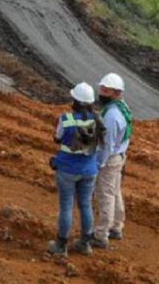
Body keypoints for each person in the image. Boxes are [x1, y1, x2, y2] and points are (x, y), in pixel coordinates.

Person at [48, 82, 103, 257]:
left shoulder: (66, 119)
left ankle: (61, 245)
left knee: (66, 207)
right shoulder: (97, 120)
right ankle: (85, 244)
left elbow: (58, 138)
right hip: (89, 170)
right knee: (86, 205)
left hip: (67, 169)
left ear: (76, 101)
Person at [92, 73, 132, 249]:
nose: (101, 93)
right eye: (101, 89)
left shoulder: (111, 117)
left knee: (105, 195)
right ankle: (116, 226)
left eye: (106, 90)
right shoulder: (122, 107)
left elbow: (106, 145)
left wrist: (99, 163)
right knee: (115, 192)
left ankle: (101, 235)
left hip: (110, 159)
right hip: (119, 156)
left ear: (116, 93)